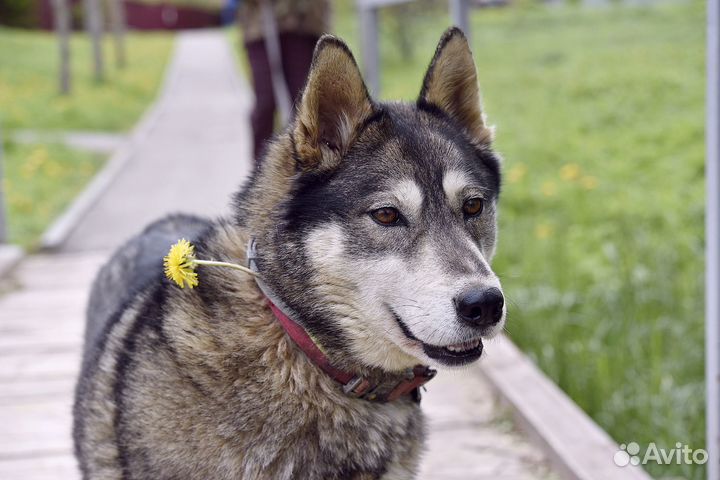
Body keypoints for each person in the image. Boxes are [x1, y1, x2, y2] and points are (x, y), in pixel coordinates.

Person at [239, 0, 331, 163]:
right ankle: (261, 172)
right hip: (260, 23)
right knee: (265, 104)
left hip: (302, 21)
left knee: (304, 103)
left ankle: (304, 169)